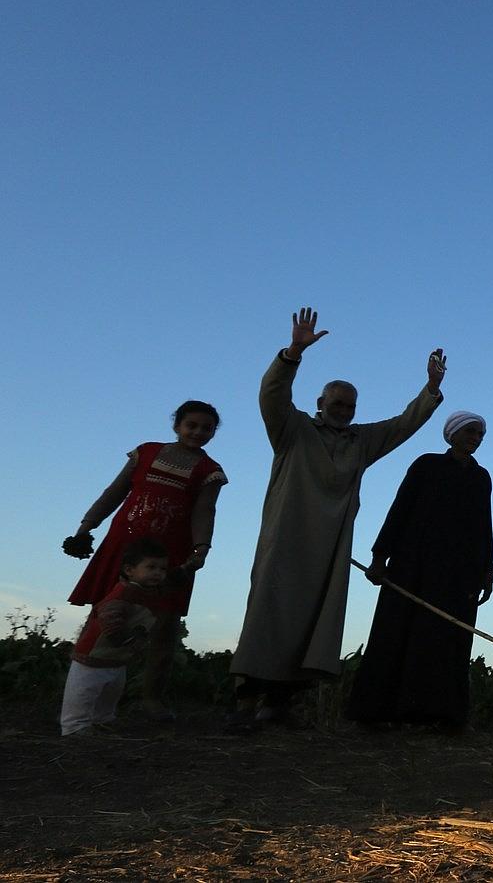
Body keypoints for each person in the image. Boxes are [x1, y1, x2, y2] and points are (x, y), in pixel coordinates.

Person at [228, 308, 444, 730]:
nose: (343, 410)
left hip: (330, 548)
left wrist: (431, 390)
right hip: (285, 540)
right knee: (268, 614)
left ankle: (282, 703)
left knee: (314, 620)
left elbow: (404, 424)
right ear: (320, 404)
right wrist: (293, 352)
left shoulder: (361, 441)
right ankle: (246, 700)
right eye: (336, 403)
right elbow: (272, 394)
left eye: (350, 405)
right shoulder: (293, 430)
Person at [62, 400, 227, 721]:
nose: (198, 432)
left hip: (171, 557)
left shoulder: (210, 472)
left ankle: (152, 699)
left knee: (165, 626)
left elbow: (204, 511)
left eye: (206, 428)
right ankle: (82, 690)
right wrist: (85, 528)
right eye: (191, 425)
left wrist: (201, 549)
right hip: (123, 548)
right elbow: (115, 492)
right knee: (103, 613)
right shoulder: (146, 453)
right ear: (176, 425)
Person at [347, 411, 493, 732]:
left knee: (447, 640)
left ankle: (439, 717)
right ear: (453, 434)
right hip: (413, 567)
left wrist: (488, 570)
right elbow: (400, 509)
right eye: (470, 432)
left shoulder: (481, 477)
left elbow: (484, 525)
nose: (475, 438)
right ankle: (377, 713)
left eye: (479, 434)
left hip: (459, 576)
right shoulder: (426, 465)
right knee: (397, 633)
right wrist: (380, 555)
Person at [60, 538, 177, 735]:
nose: (158, 573)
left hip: (116, 659)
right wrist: (126, 639)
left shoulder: (147, 593)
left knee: (110, 694)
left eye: (162, 569)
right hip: (93, 656)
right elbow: (109, 617)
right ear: (129, 570)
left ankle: (102, 720)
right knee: (84, 692)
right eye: (151, 567)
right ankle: (74, 727)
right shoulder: (124, 593)